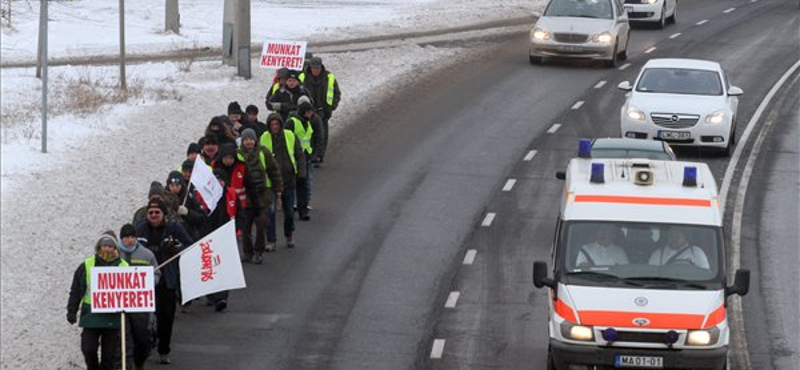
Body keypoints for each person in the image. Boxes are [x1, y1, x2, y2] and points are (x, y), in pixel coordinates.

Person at [134, 199, 193, 365]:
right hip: (146, 281)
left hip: (167, 280)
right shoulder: (139, 229)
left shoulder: (174, 228)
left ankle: (164, 350)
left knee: (167, 318)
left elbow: (189, 245)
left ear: (163, 214)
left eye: (157, 212)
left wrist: (176, 248)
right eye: (151, 213)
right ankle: (149, 343)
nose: (154, 215)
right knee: (148, 318)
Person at [66, 234, 129, 370]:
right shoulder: (87, 265)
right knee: (88, 349)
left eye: (110, 246)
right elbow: (76, 290)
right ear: (98, 247)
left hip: (112, 317)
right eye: (104, 245)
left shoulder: (124, 267)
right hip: (91, 316)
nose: (107, 249)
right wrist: (72, 310)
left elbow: (130, 292)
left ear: (115, 248)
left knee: (109, 356)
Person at [260, 113, 306, 249]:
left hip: (288, 180)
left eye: (277, 124)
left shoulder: (290, 136)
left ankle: (289, 234)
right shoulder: (264, 138)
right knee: (271, 212)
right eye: (272, 124)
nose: (275, 127)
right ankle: (271, 240)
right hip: (271, 182)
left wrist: (301, 173)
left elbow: (299, 155)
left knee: (289, 212)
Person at [118, 224, 160, 370]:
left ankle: (139, 362)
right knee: (125, 340)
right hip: (121, 306)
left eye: (132, 237)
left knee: (143, 338)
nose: (129, 241)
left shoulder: (147, 255)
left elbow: (157, 273)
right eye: (125, 237)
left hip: (140, 306)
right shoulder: (114, 254)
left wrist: (150, 281)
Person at [238, 128, 283, 262]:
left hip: (262, 197)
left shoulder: (264, 153)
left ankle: (259, 252)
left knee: (261, 225)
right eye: (246, 139)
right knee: (245, 228)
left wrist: (278, 189)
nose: (249, 142)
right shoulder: (238, 155)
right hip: (245, 198)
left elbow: (274, 171)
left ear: (255, 140)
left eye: (251, 139)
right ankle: (247, 253)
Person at [204, 167, 238, 311]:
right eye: (216, 179)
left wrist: (238, 230)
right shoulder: (205, 197)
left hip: (226, 236)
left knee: (224, 267)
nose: (219, 182)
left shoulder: (231, 194)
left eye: (221, 179)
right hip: (210, 236)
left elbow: (240, 213)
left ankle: (222, 297)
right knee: (210, 266)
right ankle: (211, 295)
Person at [287, 100, 323, 221]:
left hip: (305, 159)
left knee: (304, 184)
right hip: (293, 159)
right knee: (292, 185)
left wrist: (314, 154)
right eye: (309, 111)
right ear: (303, 112)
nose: (311, 113)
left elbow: (313, 138)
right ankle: (291, 206)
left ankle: (303, 209)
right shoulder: (292, 122)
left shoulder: (308, 122)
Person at [300, 56, 340, 164]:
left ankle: (319, 156)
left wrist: (332, 107)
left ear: (321, 67)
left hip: (323, 111)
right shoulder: (303, 77)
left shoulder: (329, 77)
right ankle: (309, 154)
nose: (315, 70)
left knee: (321, 134)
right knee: (308, 134)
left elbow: (336, 93)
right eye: (313, 68)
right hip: (307, 112)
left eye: (317, 68)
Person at [165, 170, 207, 241]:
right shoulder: (164, 198)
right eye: (172, 185)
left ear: (181, 185)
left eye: (177, 185)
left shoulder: (189, 197)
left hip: (189, 235)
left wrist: (188, 213)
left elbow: (202, 218)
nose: (174, 188)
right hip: (169, 236)